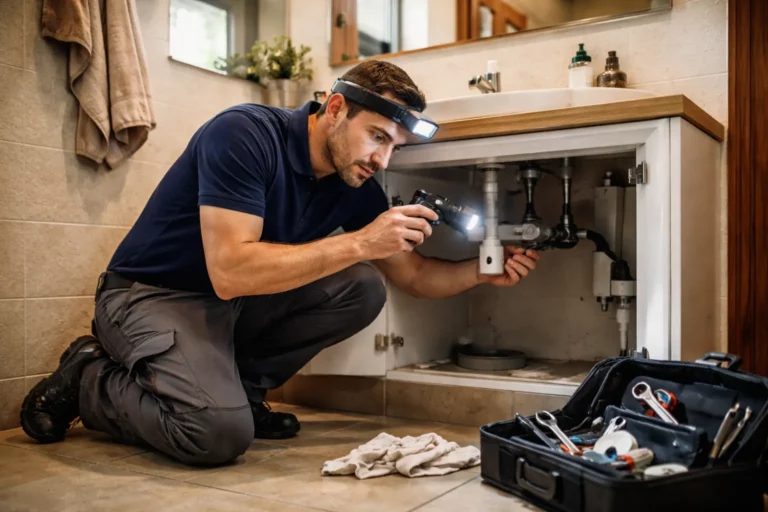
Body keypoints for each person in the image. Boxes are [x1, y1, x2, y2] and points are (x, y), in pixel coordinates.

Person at [20, 60, 539, 466]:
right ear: (335, 108)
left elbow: (415, 276)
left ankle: (242, 395)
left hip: (226, 305)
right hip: (149, 295)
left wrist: (481, 271)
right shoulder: (244, 134)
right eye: (378, 137)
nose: (383, 160)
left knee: (363, 287)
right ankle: (88, 378)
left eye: (395, 148)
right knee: (214, 435)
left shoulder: (355, 182)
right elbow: (231, 271)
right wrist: (362, 242)